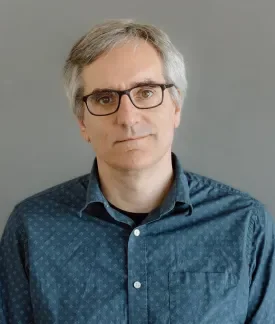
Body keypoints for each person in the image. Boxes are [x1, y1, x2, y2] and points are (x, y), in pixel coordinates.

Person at [0, 19, 274, 324]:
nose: (128, 118)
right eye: (104, 98)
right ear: (82, 123)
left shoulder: (245, 225)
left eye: (145, 92)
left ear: (176, 107)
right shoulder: (32, 228)